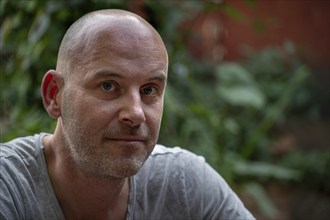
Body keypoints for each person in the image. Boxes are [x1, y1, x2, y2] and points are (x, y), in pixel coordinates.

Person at [0, 9, 254, 220]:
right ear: (54, 95)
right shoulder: (9, 188)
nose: (135, 113)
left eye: (149, 90)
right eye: (108, 86)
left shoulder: (183, 185)